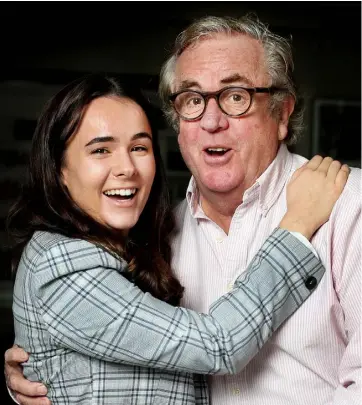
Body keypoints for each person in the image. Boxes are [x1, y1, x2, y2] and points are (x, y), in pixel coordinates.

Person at [5, 13, 360, 405]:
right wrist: (43, 365)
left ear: (282, 113)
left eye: (236, 96)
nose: (211, 120)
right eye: (192, 100)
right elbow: (208, 345)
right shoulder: (160, 237)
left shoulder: (349, 206)